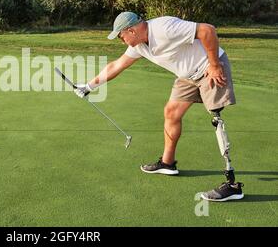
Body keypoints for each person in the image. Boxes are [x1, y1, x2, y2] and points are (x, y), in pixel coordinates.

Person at [75, 12, 244, 202]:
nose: (122, 41)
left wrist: (214, 65)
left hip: (209, 68)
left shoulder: (164, 28)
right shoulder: (139, 45)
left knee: (216, 119)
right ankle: (167, 163)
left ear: (131, 30)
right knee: (171, 113)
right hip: (187, 76)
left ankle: (232, 185)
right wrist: (89, 86)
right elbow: (117, 65)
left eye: (122, 37)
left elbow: (207, 30)